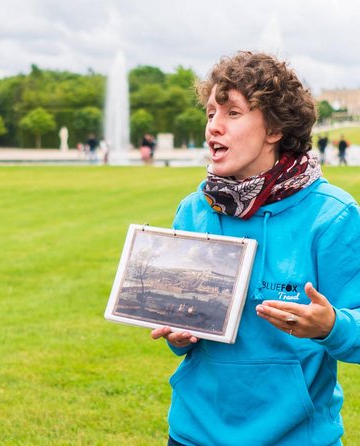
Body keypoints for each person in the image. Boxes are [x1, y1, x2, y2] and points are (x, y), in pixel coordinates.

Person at [150, 51, 360, 446]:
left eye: (232, 113)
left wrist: (332, 326)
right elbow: (186, 330)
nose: (214, 126)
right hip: (192, 434)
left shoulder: (332, 216)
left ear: (275, 129)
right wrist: (180, 334)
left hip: (297, 438)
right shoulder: (193, 210)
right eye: (211, 112)